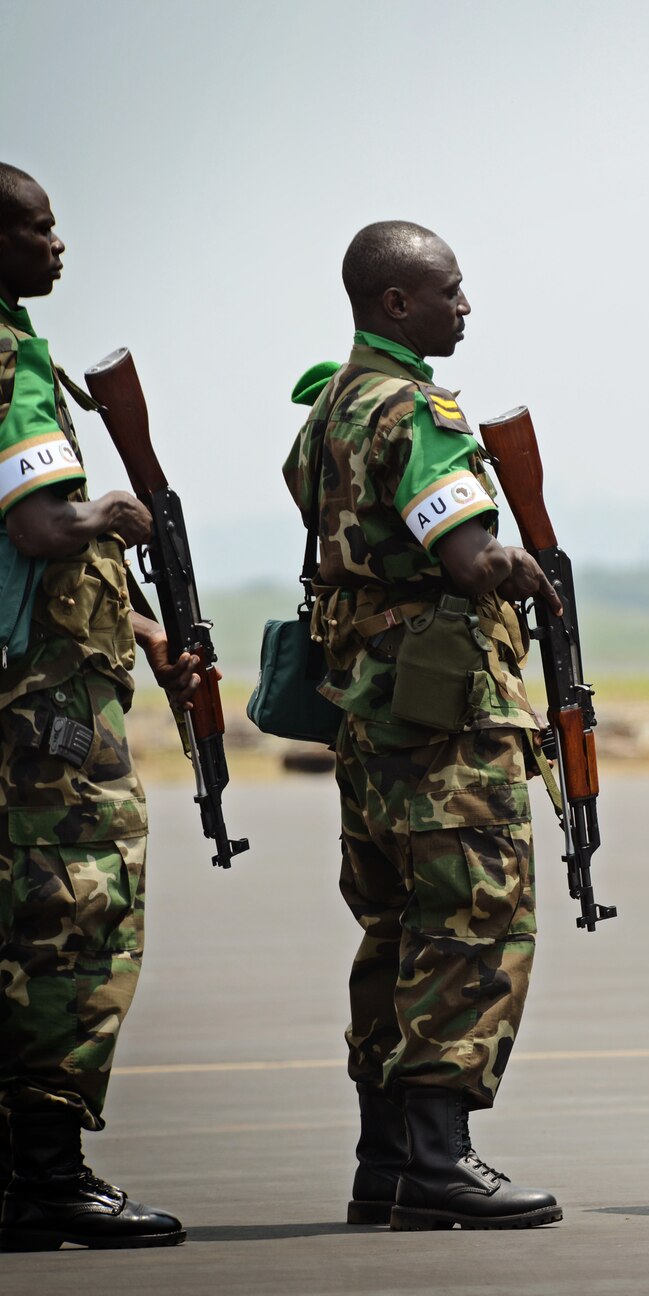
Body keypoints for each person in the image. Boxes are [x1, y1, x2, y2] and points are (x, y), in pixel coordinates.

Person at [282, 221, 561, 1232]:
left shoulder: (329, 409)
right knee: (471, 921)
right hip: (443, 716)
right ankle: (439, 1159)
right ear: (395, 303)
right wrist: (525, 568)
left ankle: (387, 1159)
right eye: (448, 290)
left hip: (368, 708)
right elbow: (467, 555)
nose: (464, 306)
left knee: (395, 928)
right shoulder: (413, 411)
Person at [0, 162, 202, 1250]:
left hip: (29, 688)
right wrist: (110, 514)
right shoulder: (11, 363)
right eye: (36, 229)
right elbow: (38, 532)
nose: (57, 244)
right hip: (44, 719)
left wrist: (142, 625)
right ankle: (46, 1173)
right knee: (72, 921)